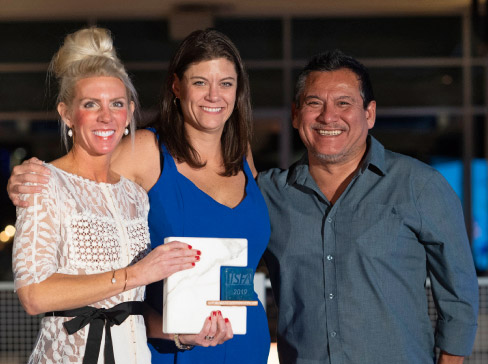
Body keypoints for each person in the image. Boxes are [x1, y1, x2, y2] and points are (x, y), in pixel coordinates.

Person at [9, 29, 270, 364]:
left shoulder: (241, 155)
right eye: (200, 82)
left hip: (244, 341)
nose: (214, 95)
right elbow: (82, 175)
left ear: (239, 90)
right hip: (168, 350)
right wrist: (26, 180)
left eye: (226, 83)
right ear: (177, 86)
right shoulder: (147, 150)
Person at [257, 50, 479, 364]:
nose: (328, 116)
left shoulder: (419, 185)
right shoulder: (267, 193)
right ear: (295, 115)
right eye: (314, 103)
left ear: (369, 113)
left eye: (343, 103)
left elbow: (459, 289)